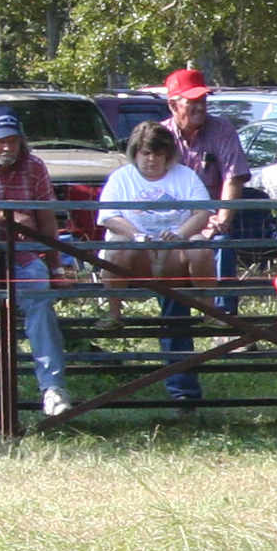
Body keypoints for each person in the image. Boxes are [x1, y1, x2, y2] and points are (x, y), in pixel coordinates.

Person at [0, 106, 71, 419]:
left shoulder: (34, 167)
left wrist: (56, 267)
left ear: (22, 142)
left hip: (24, 255)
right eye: (1, 140)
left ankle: (53, 389)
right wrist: (7, 216)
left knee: (41, 302)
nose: (7, 147)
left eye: (13, 141)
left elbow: (46, 218)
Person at [98, 120, 217, 406]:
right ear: (135, 154)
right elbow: (108, 216)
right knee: (116, 247)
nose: (151, 160)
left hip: (176, 257)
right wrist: (136, 235)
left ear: (168, 154)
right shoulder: (121, 178)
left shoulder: (185, 176)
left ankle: (209, 310)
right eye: (144, 153)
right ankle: (114, 313)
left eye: (157, 153)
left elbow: (202, 212)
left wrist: (179, 235)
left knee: (200, 248)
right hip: (136, 257)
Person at [157, 67, 249, 303]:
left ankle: (225, 323)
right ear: (173, 106)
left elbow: (234, 176)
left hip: (211, 219)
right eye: (192, 101)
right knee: (166, 249)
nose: (200, 106)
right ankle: (175, 332)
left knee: (222, 243)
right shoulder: (159, 136)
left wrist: (222, 220)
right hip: (172, 221)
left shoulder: (222, 129)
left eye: (203, 99)